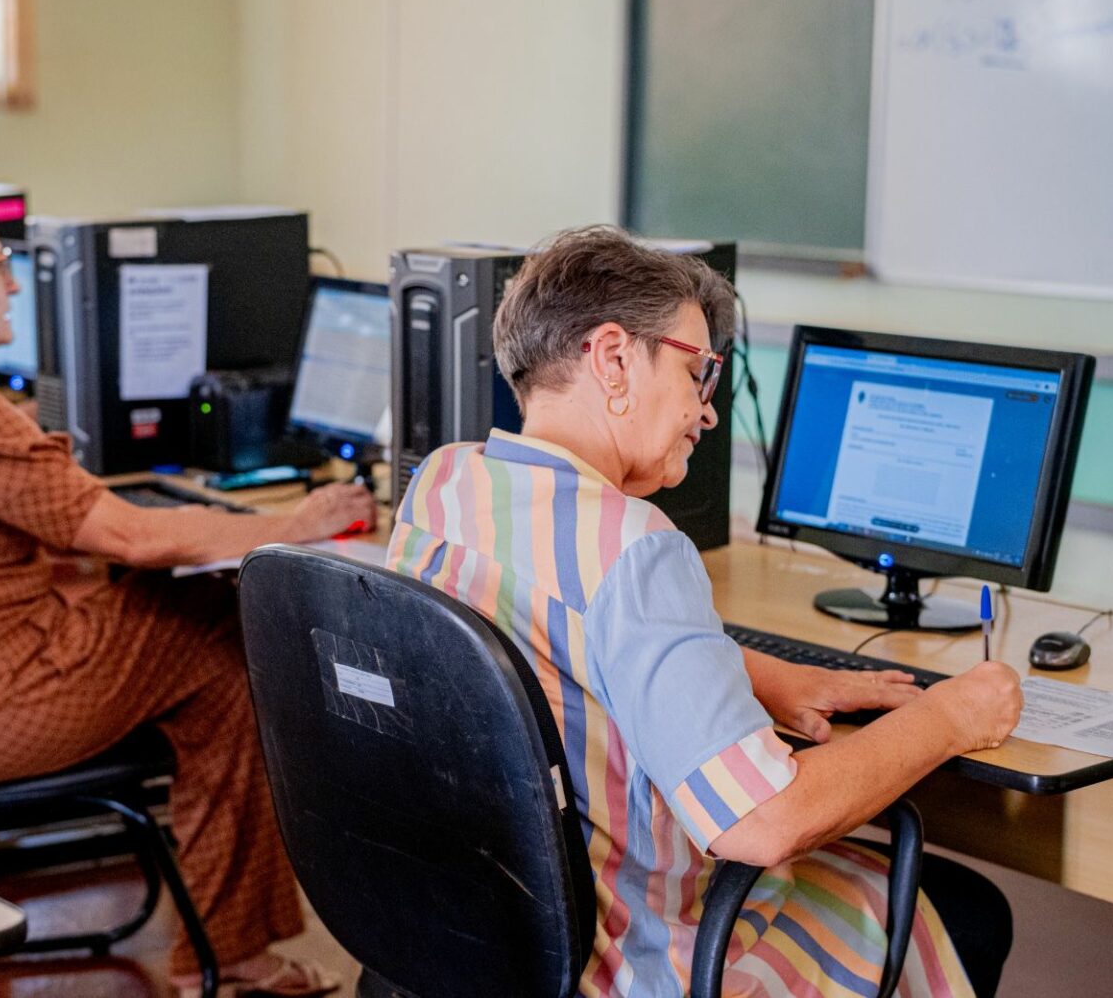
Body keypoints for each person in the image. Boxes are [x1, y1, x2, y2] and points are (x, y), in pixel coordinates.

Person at [387, 226, 1022, 998]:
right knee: (965, 907)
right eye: (698, 372)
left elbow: (548, 629)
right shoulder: (632, 544)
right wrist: (952, 715)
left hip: (481, 934)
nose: (707, 412)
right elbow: (762, 821)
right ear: (613, 358)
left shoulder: (445, 484)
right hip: (632, 959)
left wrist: (758, 672)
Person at [0, 192, 372, 996]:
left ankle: (229, 940)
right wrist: (300, 520)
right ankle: (232, 954)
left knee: (186, 627)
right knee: (224, 632)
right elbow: (134, 537)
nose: (13, 285)